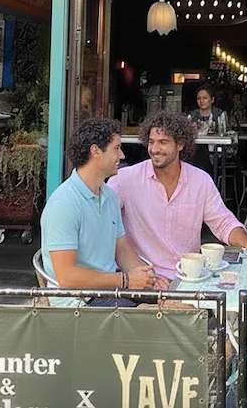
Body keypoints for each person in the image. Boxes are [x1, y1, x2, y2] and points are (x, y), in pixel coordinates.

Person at [109, 111, 247, 279]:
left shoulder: (200, 181)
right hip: (143, 279)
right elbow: (103, 229)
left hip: (188, 277)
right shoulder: (123, 180)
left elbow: (223, 222)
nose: (155, 149)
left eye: (163, 142)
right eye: (151, 142)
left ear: (180, 144)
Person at [40, 117, 167, 307]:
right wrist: (125, 280)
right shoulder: (63, 203)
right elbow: (67, 277)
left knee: (175, 301)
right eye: (116, 148)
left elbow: (122, 249)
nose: (122, 155)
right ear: (96, 151)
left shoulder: (109, 195)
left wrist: (149, 277)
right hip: (78, 301)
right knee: (161, 319)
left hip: (109, 291)